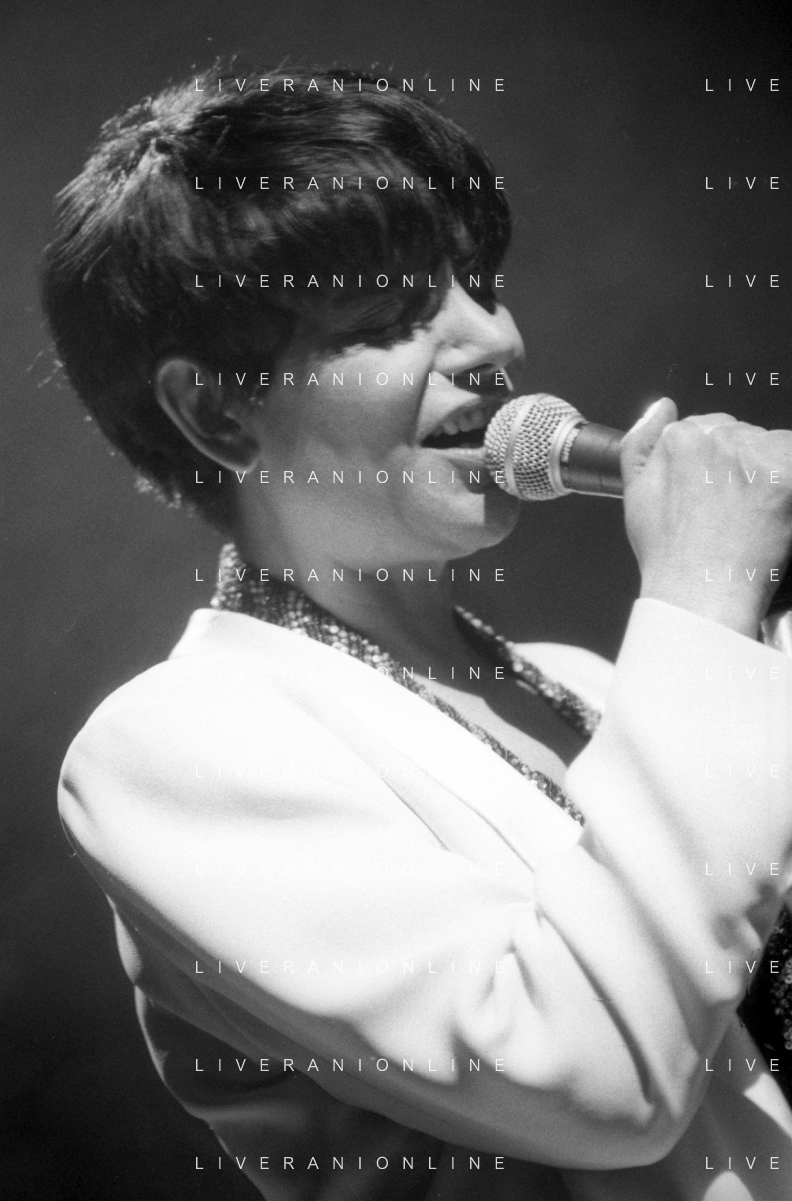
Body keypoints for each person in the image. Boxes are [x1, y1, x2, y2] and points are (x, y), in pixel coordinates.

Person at [43, 64, 792, 1200]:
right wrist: (703, 591)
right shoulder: (170, 745)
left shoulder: (593, 682)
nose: (495, 335)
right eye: (391, 311)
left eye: (480, 283)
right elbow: (600, 1076)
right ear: (217, 407)